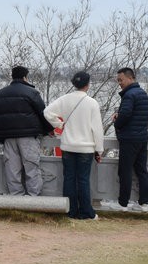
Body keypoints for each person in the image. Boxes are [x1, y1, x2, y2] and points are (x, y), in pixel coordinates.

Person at [44, 71, 105, 220]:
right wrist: (99, 150)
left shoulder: (64, 100)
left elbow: (47, 112)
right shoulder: (92, 103)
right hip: (86, 148)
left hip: (68, 146)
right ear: (88, 84)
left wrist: (59, 124)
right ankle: (86, 212)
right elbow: (97, 129)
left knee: (69, 179)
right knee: (83, 180)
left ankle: (70, 211)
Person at [0, 65, 52, 196]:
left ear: (12, 77)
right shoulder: (32, 93)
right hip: (28, 136)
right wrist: (48, 129)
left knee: (12, 169)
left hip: (8, 137)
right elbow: (43, 113)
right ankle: (33, 198)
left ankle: (16, 197)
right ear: (25, 77)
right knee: (31, 167)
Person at [113, 67, 148, 211]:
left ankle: (123, 204)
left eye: (121, 80)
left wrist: (117, 121)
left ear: (130, 78)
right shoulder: (143, 93)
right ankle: (144, 204)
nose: (119, 83)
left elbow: (126, 114)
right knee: (141, 170)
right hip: (142, 137)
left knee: (125, 171)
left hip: (129, 138)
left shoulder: (129, 95)